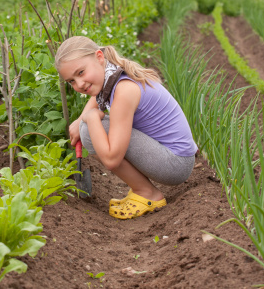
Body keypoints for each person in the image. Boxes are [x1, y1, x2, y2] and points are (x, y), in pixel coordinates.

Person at [55, 36, 197, 220]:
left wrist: (89, 119)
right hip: (175, 157)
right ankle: (142, 189)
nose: (79, 84)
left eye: (81, 72)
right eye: (71, 81)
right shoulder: (113, 74)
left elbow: (112, 159)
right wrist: (82, 117)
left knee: (89, 131)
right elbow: (96, 96)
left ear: (99, 57)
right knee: (87, 125)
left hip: (175, 165)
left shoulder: (124, 90)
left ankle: (147, 193)